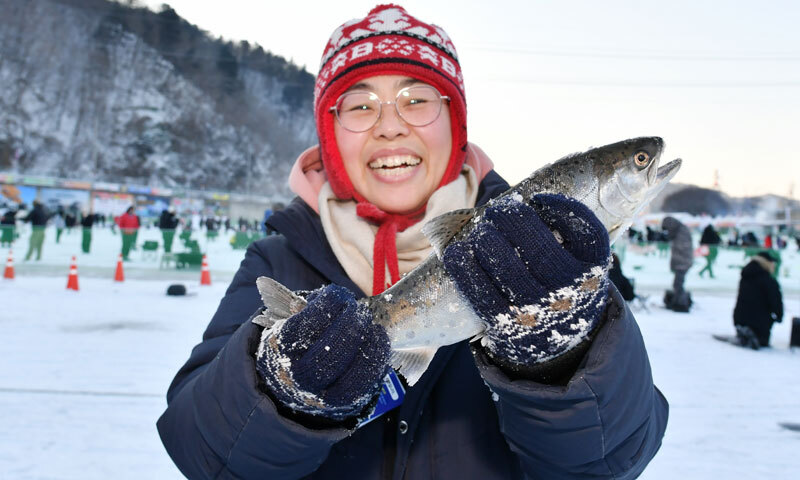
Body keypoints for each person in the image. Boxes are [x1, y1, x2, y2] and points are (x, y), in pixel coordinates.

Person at [157, 6, 668, 479]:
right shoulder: (279, 256)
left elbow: (607, 462)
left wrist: (561, 354)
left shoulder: (552, 255)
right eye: (359, 106)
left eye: (416, 100)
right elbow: (202, 454)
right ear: (330, 135)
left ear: (456, 123)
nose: (390, 126)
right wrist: (280, 392)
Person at [733, 251, 783, 349]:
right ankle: (754, 335)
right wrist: (779, 316)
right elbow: (776, 302)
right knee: (762, 339)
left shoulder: (746, 276)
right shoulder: (768, 280)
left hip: (739, 318)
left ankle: (745, 331)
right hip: (760, 323)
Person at [662, 216, 693, 312]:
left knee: (678, 284)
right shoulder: (680, 230)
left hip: (682, 263)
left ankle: (681, 304)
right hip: (681, 262)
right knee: (677, 284)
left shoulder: (681, 232)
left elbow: (682, 248)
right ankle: (677, 302)